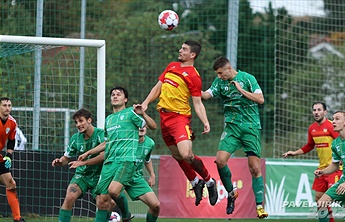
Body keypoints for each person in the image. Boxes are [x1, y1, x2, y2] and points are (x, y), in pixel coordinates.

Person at [141, 40, 218, 207]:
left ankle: (210, 182)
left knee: (186, 155)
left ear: (192, 55)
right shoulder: (171, 66)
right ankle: (195, 181)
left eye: (184, 49)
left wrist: (205, 122)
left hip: (180, 118)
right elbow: (158, 87)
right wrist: (146, 102)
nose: (180, 50)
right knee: (177, 156)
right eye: (181, 48)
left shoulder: (194, 76)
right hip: (164, 118)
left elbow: (197, 103)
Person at [201, 57, 268, 218]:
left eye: (220, 73)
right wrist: (190, 84)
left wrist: (241, 90)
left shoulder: (247, 78)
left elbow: (260, 99)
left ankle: (259, 206)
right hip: (232, 128)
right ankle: (231, 193)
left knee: (255, 168)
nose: (219, 76)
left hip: (251, 128)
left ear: (229, 68)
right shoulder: (219, 83)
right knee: (220, 160)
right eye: (217, 74)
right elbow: (205, 95)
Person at [78, 86, 157, 222]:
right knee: (101, 199)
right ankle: (118, 215)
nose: (115, 96)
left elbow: (153, 126)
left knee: (154, 205)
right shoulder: (109, 119)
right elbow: (107, 142)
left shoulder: (130, 113)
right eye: (113, 94)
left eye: (118, 94)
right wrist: (88, 153)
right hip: (110, 163)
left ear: (125, 99)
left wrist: (142, 113)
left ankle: (125, 215)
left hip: (126, 161)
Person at [52, 108, 131, 222]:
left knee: (104, 203)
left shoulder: (100, 135)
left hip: (101, 176)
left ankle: (114, 216)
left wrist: (84, 162)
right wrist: (60, 162)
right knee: (69, 197)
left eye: (81, 121)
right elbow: (66, 158)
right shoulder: (75, 139)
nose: (78, 124)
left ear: (89, 120)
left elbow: (104, 156)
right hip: (83, 175)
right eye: (76, 122)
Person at [282, 102, 342, 222]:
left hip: (335, 168)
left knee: (341, 199)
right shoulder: (312, 128)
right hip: (322, 170)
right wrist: (295, 152)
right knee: (319, 199)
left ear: (325, 112)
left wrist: (341, 159)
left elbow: (341, 141)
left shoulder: (331, 126)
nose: (316, 112)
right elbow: (309, 145)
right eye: (314, 110)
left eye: (319, 110)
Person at [314, 111, 345, 222]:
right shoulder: (335, 143)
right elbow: (334, 165)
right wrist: (323, 171)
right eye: (333, 119)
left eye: (337, 119)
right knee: (321, 203)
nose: (333, 121)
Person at [0, 97, 25, 222]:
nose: (7, 108)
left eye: (9, 105)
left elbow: (11, 140)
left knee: (11, 184)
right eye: (4, 105)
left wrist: (8, 156)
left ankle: (17, 218)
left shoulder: (12, 122)